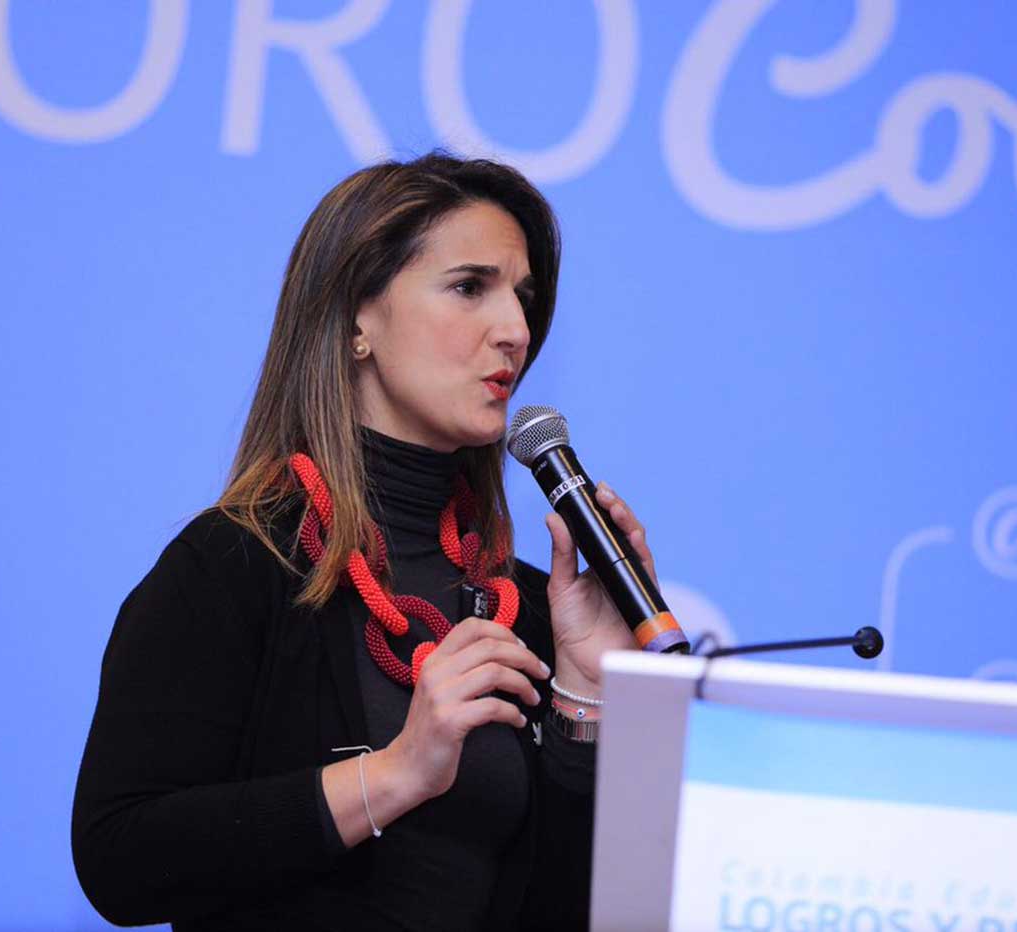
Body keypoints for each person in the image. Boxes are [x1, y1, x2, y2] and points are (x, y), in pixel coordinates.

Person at [71, 152, 658, 931]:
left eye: (523, 299)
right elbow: (119, 857)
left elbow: (565, 909)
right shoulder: (232, 565)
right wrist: (397, 774)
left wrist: (584, 700)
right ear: (357, 320)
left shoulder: (528, 604)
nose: (516, 331)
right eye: (469, 287)